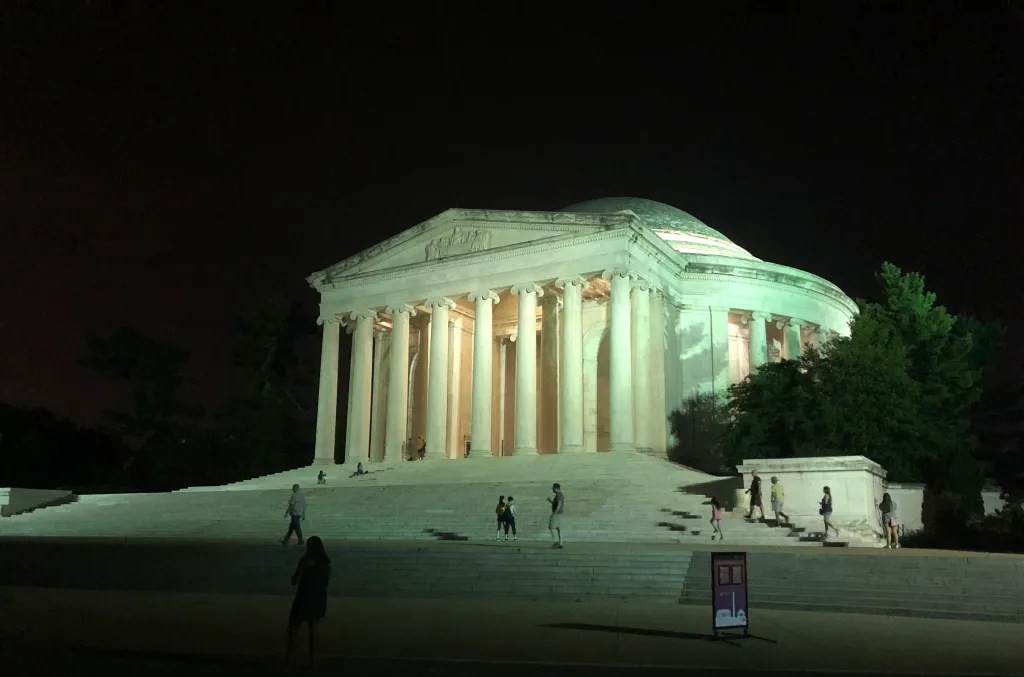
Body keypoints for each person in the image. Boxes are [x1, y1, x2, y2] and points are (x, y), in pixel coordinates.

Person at [285, 536, 331, 671]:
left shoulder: (306, 560)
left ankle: (288, 663)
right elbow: (327, 582)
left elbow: (295, 580)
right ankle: (313, 663)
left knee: (293, 630)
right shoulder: (326, 564)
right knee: (313, 632)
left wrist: (295, 576)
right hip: (319, 599)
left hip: (304, 598)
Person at [547, 483, 565, 548]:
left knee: (551, 527)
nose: (552, 489)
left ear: (555, 488)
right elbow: (556, 503)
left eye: (553, 488)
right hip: (560, 513)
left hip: (557, 513)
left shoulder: (559, 494)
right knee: (558, 528)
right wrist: (551, 501)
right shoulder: (559, 494)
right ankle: (561, 543)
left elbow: (559, 504)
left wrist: (555, 512)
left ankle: (556, 542)